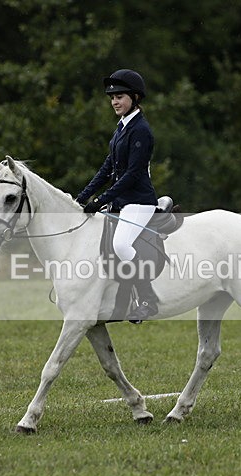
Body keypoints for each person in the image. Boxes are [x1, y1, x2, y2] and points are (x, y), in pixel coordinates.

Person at [76, 69, 159, 322]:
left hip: (139, 201)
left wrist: (100, 201)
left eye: (120, 96)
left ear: (135, 97)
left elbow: (132, 175)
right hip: (123, 202)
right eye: (112, 97)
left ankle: (148, 300)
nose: (114, 101)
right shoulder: (122, 127)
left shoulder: (140, 130)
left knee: (121, 244)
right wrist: (82, 197)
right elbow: (107, 169)